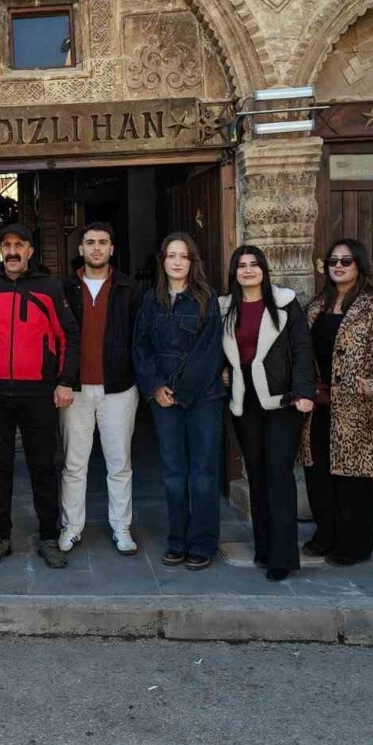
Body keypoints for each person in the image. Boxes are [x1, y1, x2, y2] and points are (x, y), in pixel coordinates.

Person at [0, 223, 79, 569]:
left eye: (19, 245)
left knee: (43, 467)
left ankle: (48, 536)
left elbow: (69, 337)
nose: (12, 251)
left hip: (39, 392)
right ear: (2, 250)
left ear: (30, 251)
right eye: (7, 245)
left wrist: (65, 380)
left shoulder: (50, 288)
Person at [298, 239, 373, 566]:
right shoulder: (316, 305)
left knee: (355, 479)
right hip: (320, 403)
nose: (338, 266)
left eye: (346, 260)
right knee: (319, 474)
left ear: (359, 264)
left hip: (359, 407)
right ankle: (325, 534)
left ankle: (355, 544)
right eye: (333, 261)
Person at [220, 244, 313, 580]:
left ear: (263, 269)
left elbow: (302, 348)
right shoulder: (225, 309)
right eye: (241, 265)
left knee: (279, 476)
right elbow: (218, 351)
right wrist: (221, 372)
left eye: (254, 264)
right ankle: (263, 548)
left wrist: (304, 391)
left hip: (282, 401)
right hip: (245, 402)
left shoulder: (285, 303)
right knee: (256, 476)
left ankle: (282, 557)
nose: (247, 270)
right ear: (234, 273)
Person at [133, 232, 226, 571]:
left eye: (183, 256)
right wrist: (156, 387)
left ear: (191, 262)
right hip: (164, 401)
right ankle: (177, 540)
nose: (176, 261)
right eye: (171, 255)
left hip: (203, 398)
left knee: (203, 472)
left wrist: (182, 391)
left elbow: (209, 351)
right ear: (163, 261)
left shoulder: (206, 298)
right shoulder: (150, 300)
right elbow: (140, 346)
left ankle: (203, 543)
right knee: (174, 474)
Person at [58, 222, 141, 555]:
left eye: (102, 242)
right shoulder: (64, 288)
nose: (96, 248)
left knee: (119, 463)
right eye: (90, 242)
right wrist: (61, 379)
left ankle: (122, 527)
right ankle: (71, 527)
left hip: (118, 388)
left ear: (111, 249)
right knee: (74, 464)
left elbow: (139, 336)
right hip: (75, 390)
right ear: (80, 249)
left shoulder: (128, 288)